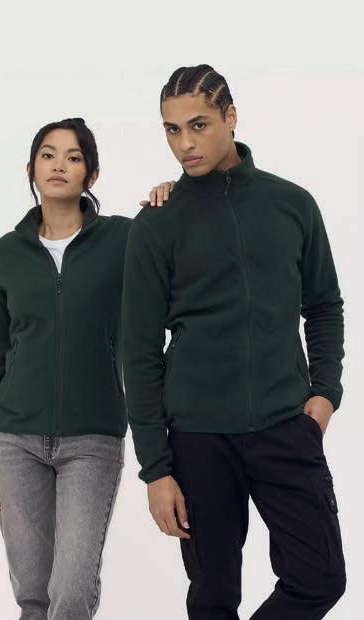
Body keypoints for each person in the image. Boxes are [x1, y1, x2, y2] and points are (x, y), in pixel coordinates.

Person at [122, 65, 346, 619]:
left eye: (198, 125)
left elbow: (323, 305)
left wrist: (325, 393)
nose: (185, 143)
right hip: (198, 439)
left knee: (319, 578)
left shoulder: (292, 204)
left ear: (231, 116)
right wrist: (156, 469)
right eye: (172, 129)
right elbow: (139, 350)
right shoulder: (157, 223)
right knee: (213, 598)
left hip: (286, 425)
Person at [0, 116, 174, 620]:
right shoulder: (7, 254)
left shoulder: (123, 239)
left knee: (73, 588)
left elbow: (175, 245)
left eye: (73, 156)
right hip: (14, 439)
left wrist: (174, 195)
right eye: (48, 154)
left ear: (92, 174)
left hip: (92, 439)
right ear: (31, 169)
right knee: (33, 595)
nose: (59, 164)